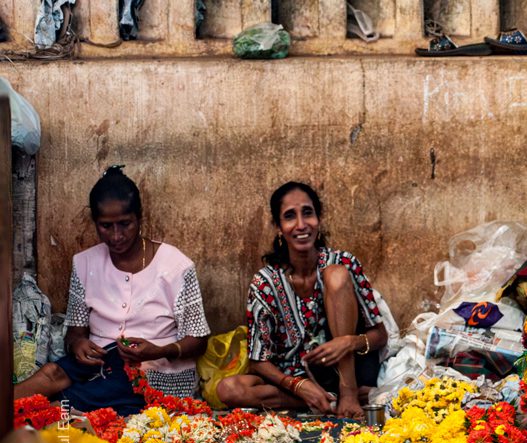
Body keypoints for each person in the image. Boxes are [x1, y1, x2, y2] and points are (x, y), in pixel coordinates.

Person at [14, 166, 211, 415]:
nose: (117, 235)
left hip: (153, 371)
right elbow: (75, 331)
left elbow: (199, 340)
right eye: (106, 226)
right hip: (99, 362)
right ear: (95, 223)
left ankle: (46, 416)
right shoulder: (84, 263)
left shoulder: (176, 266)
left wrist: (160, 350)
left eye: (125, 224)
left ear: (140, 217)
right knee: (52, 373)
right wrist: (78, 345)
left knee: (77, 399)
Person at [216, 181, 388, 419]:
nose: (301, 225)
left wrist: (348, 342)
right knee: (229, 389)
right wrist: (297, 385)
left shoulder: (344, 262)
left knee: (336, 275)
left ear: (319, 219)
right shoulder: (264, 283)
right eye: (289, 216)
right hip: (294, 381)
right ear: (278, 227)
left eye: (308, 213)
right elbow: (258, 361)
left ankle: (347, 395)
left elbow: (380, 335)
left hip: (346, 373)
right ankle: (321, 400)